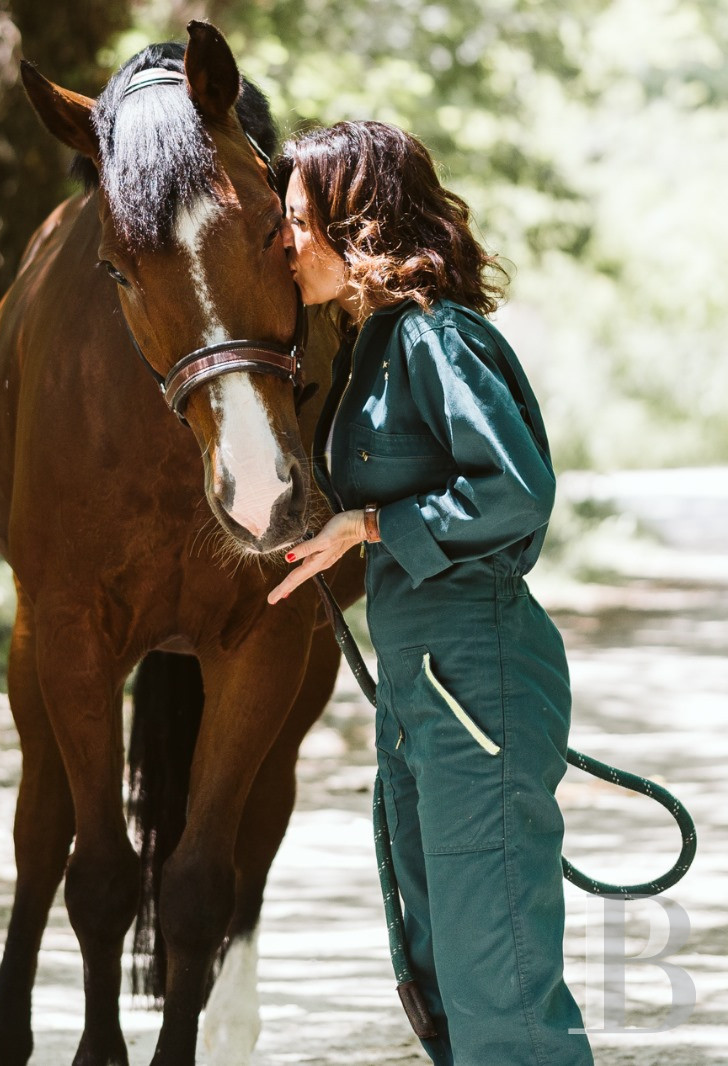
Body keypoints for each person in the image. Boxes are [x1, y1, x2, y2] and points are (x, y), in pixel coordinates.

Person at [266, 120, 595, 1066]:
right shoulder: (371, 342)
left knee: (499, 981)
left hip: (475, 673)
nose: (286, 244)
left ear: (354, 222)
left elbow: (517, 490)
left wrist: (369, 530)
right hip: (424, 682)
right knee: (438, 967)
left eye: (299, 222)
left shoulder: (434, 335)